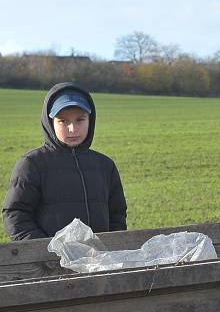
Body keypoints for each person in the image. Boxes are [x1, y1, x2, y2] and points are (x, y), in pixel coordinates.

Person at [3, 82, 127, 240]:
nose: (73, 129)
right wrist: (46, 252)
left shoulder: (104, 165)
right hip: (48, 263)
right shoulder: (32, 164)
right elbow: (15, 215)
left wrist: (110, 245)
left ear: (90, 119)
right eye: (63, 121)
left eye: (80, 120)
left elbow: (117, 214)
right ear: (50, 123)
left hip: (99, 261)